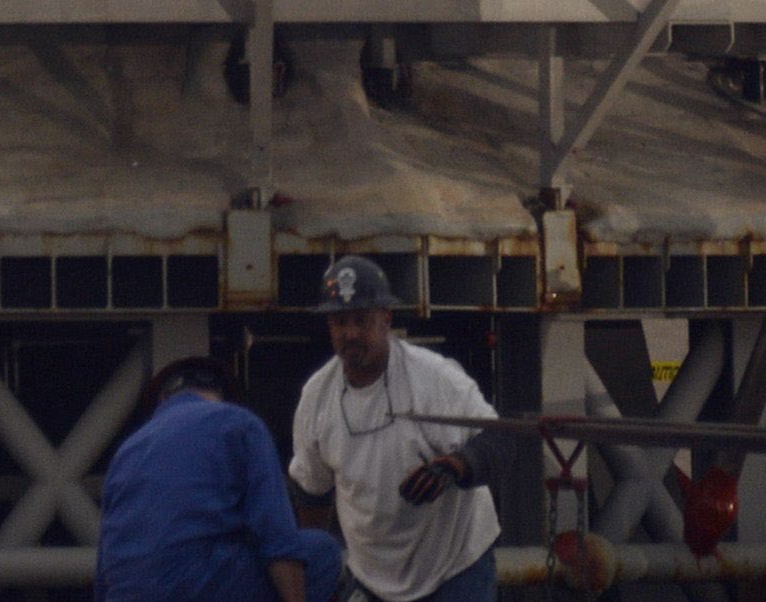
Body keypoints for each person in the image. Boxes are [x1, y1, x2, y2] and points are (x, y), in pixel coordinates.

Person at [289, 258, 510, 602]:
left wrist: (454, 467)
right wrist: (316, 578)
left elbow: (499, 439)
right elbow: (312, 492)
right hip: (373, 576)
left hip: (453, 568)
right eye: (340, 322)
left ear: (386, 318)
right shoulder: (317, 397)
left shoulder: (434, 377)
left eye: (361, 320)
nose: (350, 333)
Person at [96, 357, 339, 602]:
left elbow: (104, 565)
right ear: (220, 396)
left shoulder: (126, 451)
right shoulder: (239, 423)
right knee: (322, 551)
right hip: (199, 584)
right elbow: (278, 537)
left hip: (126, 594)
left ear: (163, 400)